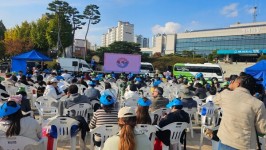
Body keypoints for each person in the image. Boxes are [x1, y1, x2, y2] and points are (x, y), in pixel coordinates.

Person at [213, 74, 266, 149]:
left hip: (225, 139)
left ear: (238, 84)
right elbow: (262, 129)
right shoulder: (258, 104)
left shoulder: (225, 94)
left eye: (233, 81)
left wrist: (228, 88)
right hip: (244, 144)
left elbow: (215, 100)